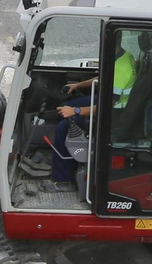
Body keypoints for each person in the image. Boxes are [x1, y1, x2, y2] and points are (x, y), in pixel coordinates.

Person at [47, 42, 137, 189]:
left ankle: (63, 180)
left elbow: (106, 108)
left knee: (63, 127)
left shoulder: (121, 69)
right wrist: (78, 85)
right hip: (108, 100)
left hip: (115, 114)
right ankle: (61, 154)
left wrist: (75, 111)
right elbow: (103, 78)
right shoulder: (123, 56)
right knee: (63, 108)